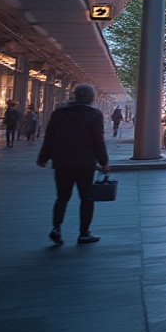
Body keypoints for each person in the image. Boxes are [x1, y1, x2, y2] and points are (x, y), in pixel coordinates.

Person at [36, 83, 110, 245]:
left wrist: (43, 157)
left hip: (62, 161)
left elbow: (50, 137)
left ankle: (56, 227)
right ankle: (84, 233)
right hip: (85, 163)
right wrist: (104, 161)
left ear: (74, 96)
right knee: (86, 198)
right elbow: (98, 139)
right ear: (91, 97)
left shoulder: (59, 113)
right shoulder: (94, 114)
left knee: (62, 197)